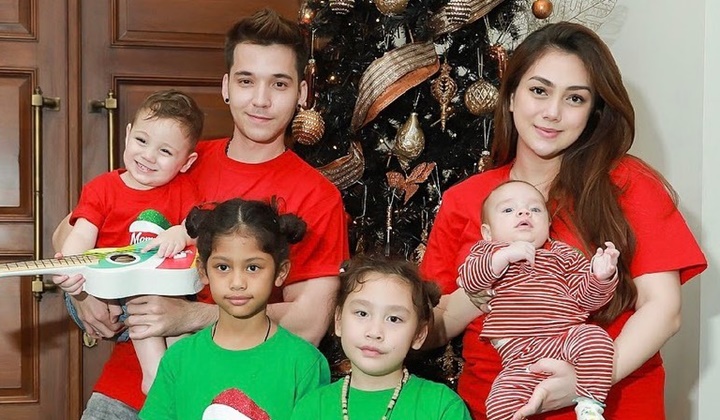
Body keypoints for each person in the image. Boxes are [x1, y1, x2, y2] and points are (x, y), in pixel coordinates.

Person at [52, 8, 349, 418]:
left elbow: (308, 324)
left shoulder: (317, 195)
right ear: (226, 86)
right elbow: (75, 226)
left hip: (230, 400)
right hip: (129, 391)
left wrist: (192, 315)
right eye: (246, 81)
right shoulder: (177, 158)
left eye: (279, 84)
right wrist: (82, 293)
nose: (260, 100)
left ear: (302, 92)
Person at [420, 21, 707, 419]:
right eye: (539, 91)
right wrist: (486, 285)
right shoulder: (465, 198)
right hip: (497, 405)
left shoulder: (630, 184)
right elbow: (431, 325)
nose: (552, 113)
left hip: (615, 406)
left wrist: (586, 381)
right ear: (511, 97)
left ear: (593, 112)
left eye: (575, 98)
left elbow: (664, 309)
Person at [54, 89, 203, 395]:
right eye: (141, 140)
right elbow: (82, 232)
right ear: (127, 134)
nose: (148, 156)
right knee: (142, 292)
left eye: (165, 151)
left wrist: (182, 232)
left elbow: (201, 227)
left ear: (186, 162)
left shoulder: (183, 189)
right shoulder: (102, 188)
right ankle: (153, 374)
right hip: (102, 291)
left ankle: (177, 374)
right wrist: (70, 266)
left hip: (160, 298)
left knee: (178, 322)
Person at [139, 198, 330, 419]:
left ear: (280, 272)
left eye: (253, 267)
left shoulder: (304, 363)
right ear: (203, 271)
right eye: (223, 267)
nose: (237, 283)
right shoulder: (179, 359)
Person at [447, 180, 619, 420]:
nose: (523, 213)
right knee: (498, 402)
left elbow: (587, 300)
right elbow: (471, 280)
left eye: (535, 209)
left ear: (548, 224)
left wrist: (600, 276)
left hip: (564, 338)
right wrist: (504, 256)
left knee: (596, 338)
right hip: (519, 354)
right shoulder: (487, 253)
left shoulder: (562, 255)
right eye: (509, 209)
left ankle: (589, 405)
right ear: (487, 233)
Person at [290, 255, 472, 419]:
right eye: (362, 313)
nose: (375, 332)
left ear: (419, 334)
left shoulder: (442, 406)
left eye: (394, 319)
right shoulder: (311, 408)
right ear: (338, 321)